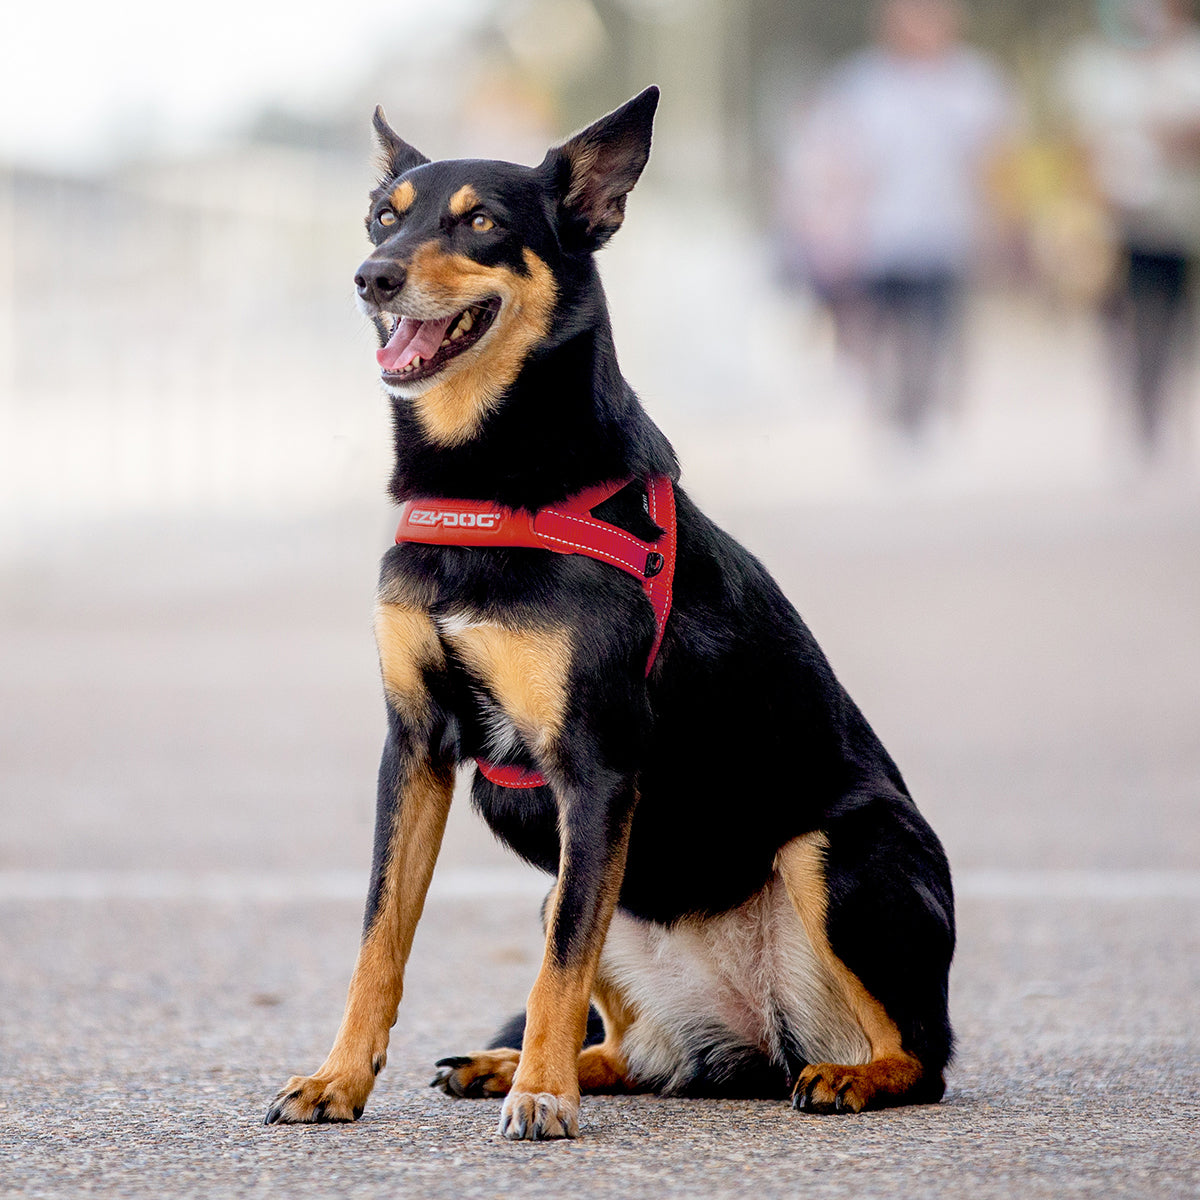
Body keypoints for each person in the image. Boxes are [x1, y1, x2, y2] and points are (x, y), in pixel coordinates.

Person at [779, 0, 1014, 437]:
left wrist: (998, 224)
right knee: (886, 330)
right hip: (881, 237)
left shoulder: (973, 82)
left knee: (936, 329)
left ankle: (929, 413)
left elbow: (993, 163)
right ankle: (892, 416)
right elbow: (835, 161)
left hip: (947, 233)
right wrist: (830, 227)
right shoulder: (861, 84)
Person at [1058, 0, 1200, 454]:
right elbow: (1079, 142)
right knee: (1121, 319)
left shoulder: (1189, 62)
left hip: (1176, 218)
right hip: (1114, 221)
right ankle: (1133, 409)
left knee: (1169, 318)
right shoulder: (1098, 66)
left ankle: (1157, 406)